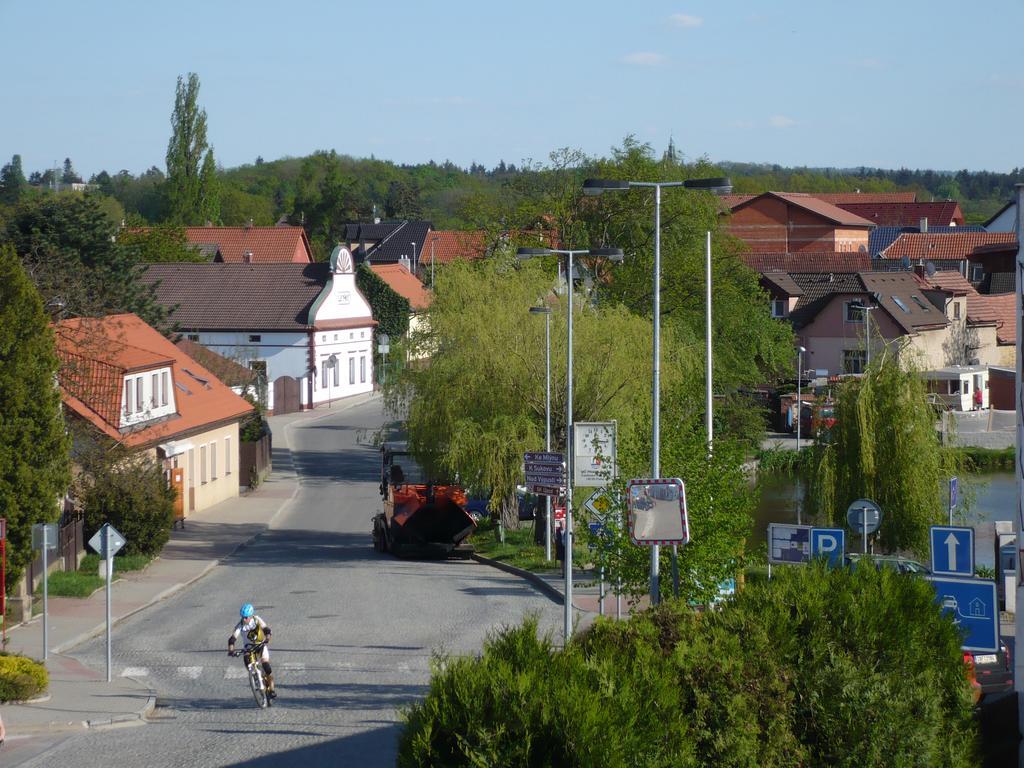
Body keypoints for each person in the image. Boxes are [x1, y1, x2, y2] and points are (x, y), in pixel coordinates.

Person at [228, 603, 275, 699]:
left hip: (260, 645)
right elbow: (232, 639)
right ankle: (255, 678)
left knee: (267, 667)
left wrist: (268, 637)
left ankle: (272, 689)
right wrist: (231, 650)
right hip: (248, 648)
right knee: (247, 662)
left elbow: (266, 629)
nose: (244, 619)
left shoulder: (257, 619)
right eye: (243, 617)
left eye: (246, 617)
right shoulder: (240, 625)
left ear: (251, 615)